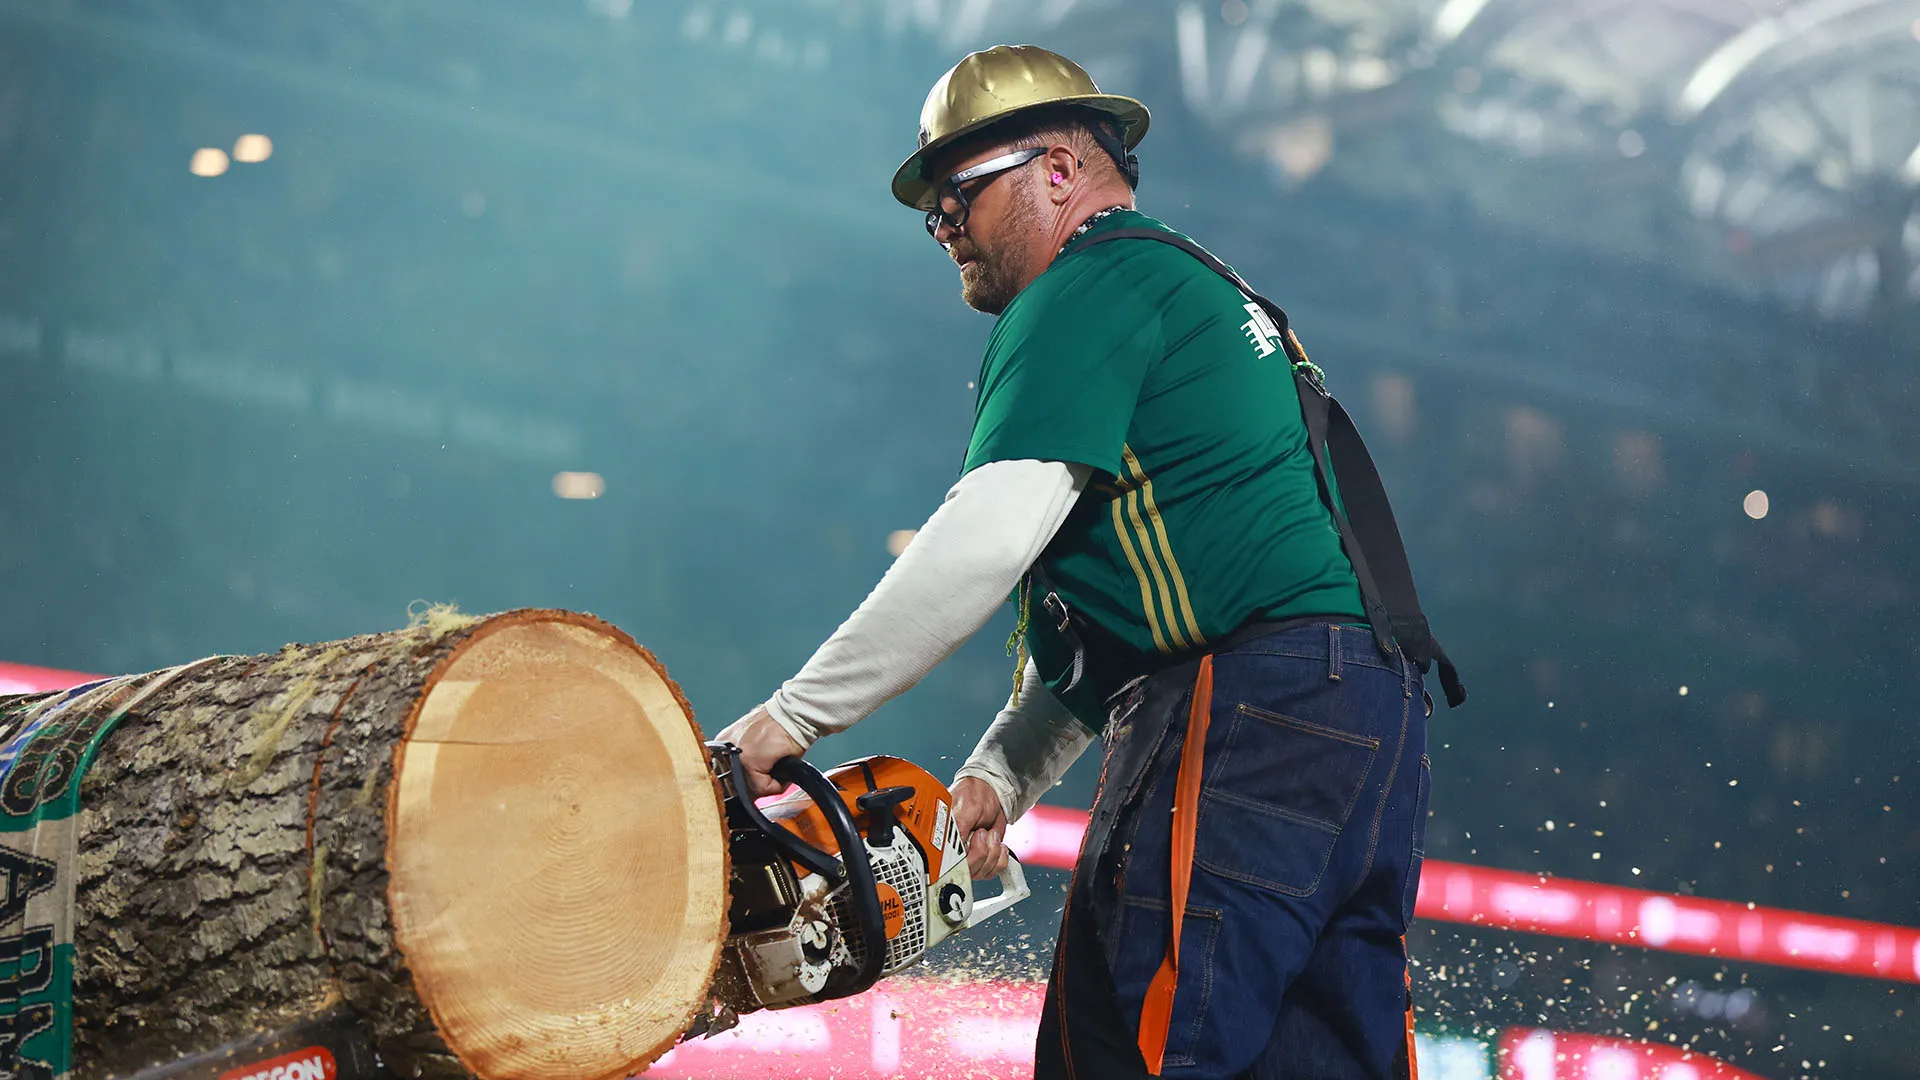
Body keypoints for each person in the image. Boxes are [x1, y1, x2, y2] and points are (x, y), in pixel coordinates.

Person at [714, 43, 1459, 1080]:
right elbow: (1133, 616)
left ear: (1058, 170)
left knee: (1125, 1052)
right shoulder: (1184, 286)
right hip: (1366, 719)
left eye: (958, 197)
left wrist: (792, 717)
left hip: (1248, 707)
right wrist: (998, 777)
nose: (943, 230)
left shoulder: (1088, 285)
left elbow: (990, 530)